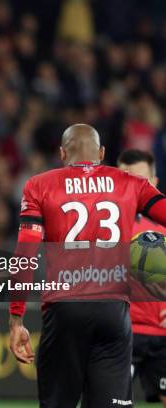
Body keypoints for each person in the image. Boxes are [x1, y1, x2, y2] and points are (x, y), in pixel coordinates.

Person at [8, 124, 166, 407]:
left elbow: (25, 254)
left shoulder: (39, 186)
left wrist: (16, 318)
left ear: (62, 153)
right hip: (114, 313)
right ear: (102, 153)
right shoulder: (132, 183)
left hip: (64, 310)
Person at [118, 149, 166, 407]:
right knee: (113, 399)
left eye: (141, 181)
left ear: (154, 182)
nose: (134, 188)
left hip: (162, 334)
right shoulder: (110, 225)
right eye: (127, 180)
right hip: (123, 332)